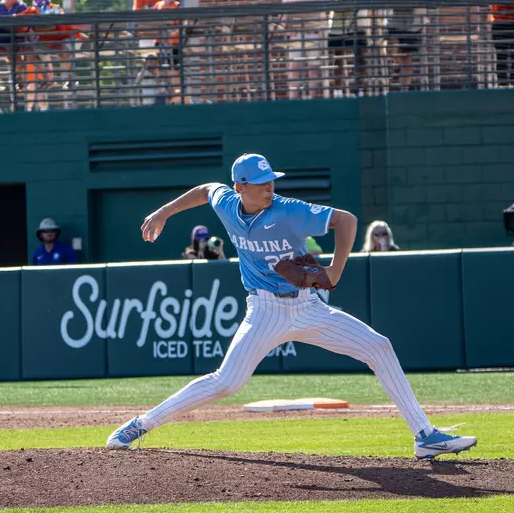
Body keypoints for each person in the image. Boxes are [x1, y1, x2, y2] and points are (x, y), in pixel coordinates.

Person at [106, 153, 477, 458]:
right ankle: (141, 424)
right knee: (227, 382)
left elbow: (345, 221)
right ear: (240, 188)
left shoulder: (287, 210)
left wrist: (334, 269)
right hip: (265, 311)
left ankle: (425, 435)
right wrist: (163, 212)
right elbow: (206, 190)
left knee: (378, 346)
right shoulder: (227, 203)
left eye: (271, 180)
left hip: (307, 307)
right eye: (261, 182)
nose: (269, 187)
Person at [380, 0, 427, 91]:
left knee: (407, 58)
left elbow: (419, 0)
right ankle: (397, 62)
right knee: (389, 48)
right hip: (393, 21)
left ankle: (404, 91)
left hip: (412, 23)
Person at [282, 0, 327, 100]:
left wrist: (322, 30)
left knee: (313, 68)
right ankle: (293, 100)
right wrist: (287, 29)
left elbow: (323, 17)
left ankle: (312, 100)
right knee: (294, 67)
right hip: (296, 35)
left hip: (313, 33)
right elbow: (283, 16)